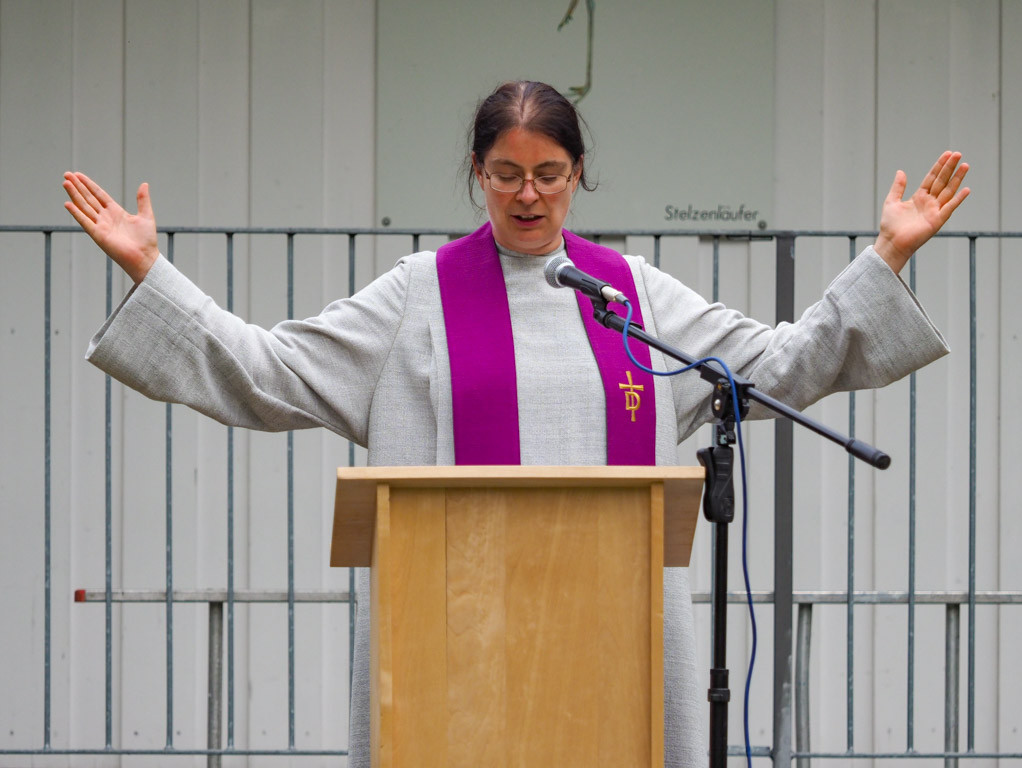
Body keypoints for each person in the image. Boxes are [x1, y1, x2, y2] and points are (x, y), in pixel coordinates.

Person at [63, 80, 969, 768]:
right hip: (452, 630)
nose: (526, 195)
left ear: (578, 176)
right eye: (505, 174)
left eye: (547, 174)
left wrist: (886, 255)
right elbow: (270, 369)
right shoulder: (417, 297)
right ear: (477, 174)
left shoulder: (633, 294)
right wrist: (155, 275)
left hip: (621, 638)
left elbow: (773, 364)